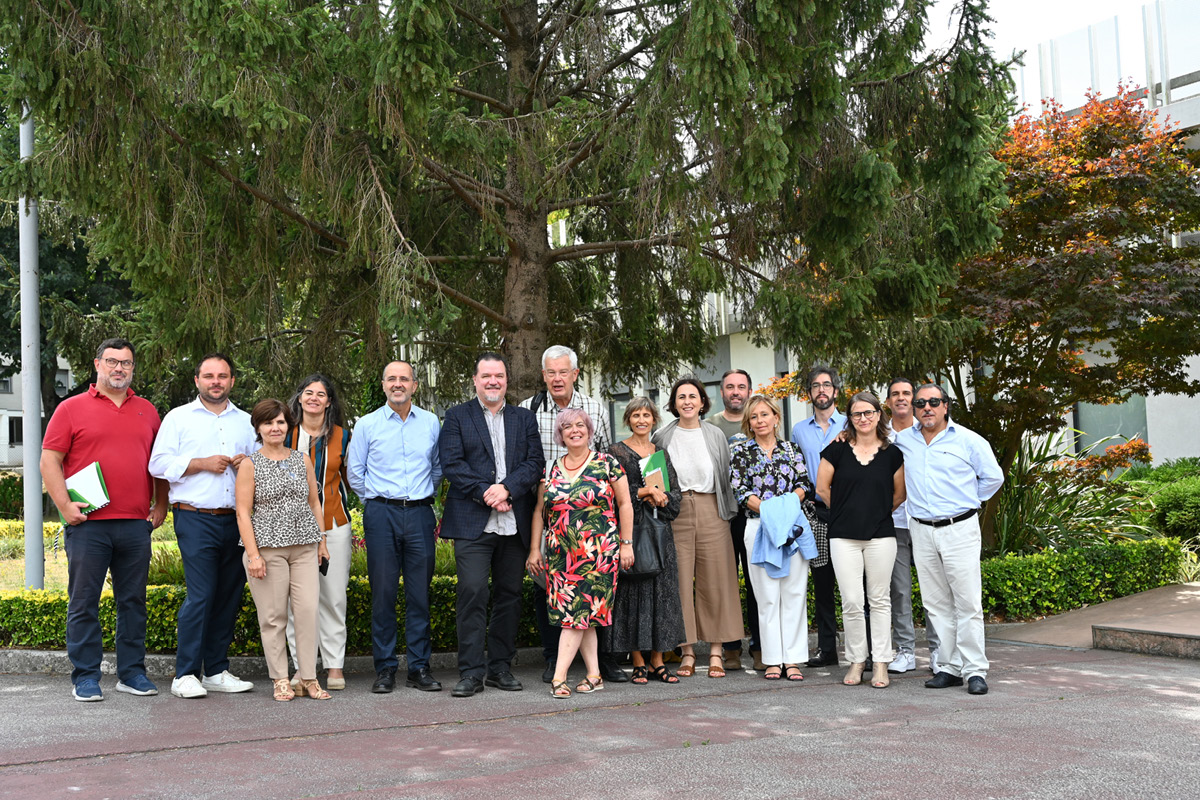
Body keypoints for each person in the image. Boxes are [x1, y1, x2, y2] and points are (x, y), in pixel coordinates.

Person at [41, 338, 169, 701]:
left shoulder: (148, 410)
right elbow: (49, 460)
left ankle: (132, 673)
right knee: (84, 601)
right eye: (112, 362)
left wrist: (161, 505)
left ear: (132, 368)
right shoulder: (70, 409)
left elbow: (159, 465)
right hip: (88, 525)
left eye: (126, 363)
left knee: (133, 602)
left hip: (134, 524)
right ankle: (85, 677)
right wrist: (65, 507)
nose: (119, 369)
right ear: (97, 364)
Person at [149, 353, 257, 699]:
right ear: (197, 380)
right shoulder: (178, 418)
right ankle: (185, 674)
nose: (216, 382)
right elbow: (158, 463)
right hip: (195, 517)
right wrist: (200, 464)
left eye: (222, 376)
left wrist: (248, 464)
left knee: (228, 595)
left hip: (237, 521)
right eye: (209, 376)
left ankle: (216, 670)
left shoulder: (245, 421)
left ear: (232, 382)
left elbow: (262, 462)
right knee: (201, 595)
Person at [439, 353, 544, 697]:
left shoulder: (524, 418)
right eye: (486, 376)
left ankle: (500, 667)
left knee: (509, 596)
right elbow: (452, 464)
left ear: (506, 380)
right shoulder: (456, 417)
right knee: (472, 592)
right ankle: (471, 672)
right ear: (475, 380)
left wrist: (508, 489)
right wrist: (489, 493)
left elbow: (534, 462)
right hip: (474, 522)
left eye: (499, 375)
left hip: (514, 523)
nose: (493, 381)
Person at [518, 344, 624, 684]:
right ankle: (554, 659)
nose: (557, 378)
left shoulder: (594, 407)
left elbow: (606, 456)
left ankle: (597, 665)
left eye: (563, 371)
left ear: (575, 374)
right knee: (545, 591)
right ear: (544, 375)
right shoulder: (527, 409)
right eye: (551, 372)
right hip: (552, 517)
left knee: (592, 597)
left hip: (593, 526)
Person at [892, 384, 1003, 696]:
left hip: (959, 528)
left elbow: (994, 477)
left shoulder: (968, 440)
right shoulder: (903, 441)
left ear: (946, 406)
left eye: (933, 402)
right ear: (913, 408)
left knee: (967, 602)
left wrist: (969, 503)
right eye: (920, 403)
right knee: (936, 603)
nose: (927, 407)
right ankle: (949, 667)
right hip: (921, 529)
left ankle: (975, 670)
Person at [347, 361, 444, 694]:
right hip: (381, 516)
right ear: (384, 384)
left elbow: (436, 469)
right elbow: (355, 473)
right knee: (384, 595)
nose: (398, 384)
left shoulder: (431, 422)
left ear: (414, 385)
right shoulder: (367, 424)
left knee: (419, 596)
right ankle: (385, 668)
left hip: (419, 515)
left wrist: (417, 498)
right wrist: (378, 502)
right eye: (392, 379)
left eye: (404, 379)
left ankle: (419, 668)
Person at [527, 409, 634, 697]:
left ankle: (559, 676)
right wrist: (534, 550)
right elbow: (540, 511)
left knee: (575, 613)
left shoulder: (607, 463)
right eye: (567, 427)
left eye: (580, 425)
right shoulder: (549, 469)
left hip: (598, 553)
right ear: (559, 435)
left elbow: (625, 504)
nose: (575, 430)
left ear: (589, 430)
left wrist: (627, 543)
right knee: (582, 615)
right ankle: (594, 674)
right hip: (560, 554)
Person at [235, 399, 330, 701]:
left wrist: (322, 542)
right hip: (267, 551)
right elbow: (242, 512)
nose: (275, 428)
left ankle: (307, 678)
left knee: (306, 613)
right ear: (258, 428)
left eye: (280, 422)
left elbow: (314, 502)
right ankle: (280, 679)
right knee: (274, 617)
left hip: (304, 547)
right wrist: (253, 555)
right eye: (268, 423)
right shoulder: (250, 464)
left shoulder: (302, 459)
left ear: (288, 426)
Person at [652, 377, 744, 679]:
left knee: (717, 580)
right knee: (678, 582)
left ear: (703, 402)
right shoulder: (662, 436)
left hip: (711, 509)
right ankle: (687, 651)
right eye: (681, 397)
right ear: (674, 403)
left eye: (693, 396)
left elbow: (727, 474)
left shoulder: (715, 434)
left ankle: (716, 651)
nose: (687, 401)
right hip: (676, 512)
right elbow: (655, 477)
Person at [816, 392, 905, 689]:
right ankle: (856, 660)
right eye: (857, 414)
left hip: (881, 536)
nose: (863, 418)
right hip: (843, 537)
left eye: (869, 413)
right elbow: (822, 488)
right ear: (850, 419)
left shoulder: (893, 454)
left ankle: (880, 663)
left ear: (879, 415)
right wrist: (846, 512)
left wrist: (874, 514)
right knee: (852, 602)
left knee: (879, 601)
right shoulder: (837, 450)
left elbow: (899, 495)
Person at [599, 398, 686, 685]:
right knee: (632, 596)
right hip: (630, 535)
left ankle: (657, 661)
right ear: (627, 420)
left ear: (653, 420)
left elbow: (674, 498)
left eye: (646, 415)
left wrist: (660, 495)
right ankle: (637, 660)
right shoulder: (615, 452)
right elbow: (609, 495)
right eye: (636, 415)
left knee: (661, 596)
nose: (641, 420)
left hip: (659, 534)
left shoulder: (659, 453)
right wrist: (644, 491)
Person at [729, 395, 813, 682]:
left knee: (794, 594)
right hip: (759, 526)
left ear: (776, 418)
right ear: (749, 423)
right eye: (754, 417)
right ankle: (773, 660)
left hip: (791, 525)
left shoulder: (792, 450)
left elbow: (804, 484)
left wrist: (785, 510)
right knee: (766, 597)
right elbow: (740, 491)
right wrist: (768, 510)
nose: (760, 420)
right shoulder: (741, 453)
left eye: (765, 415)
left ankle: (793, 660)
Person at [284, 374, 353, 691]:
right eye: (308, 392)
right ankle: (302, 669)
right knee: (296, 602)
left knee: (333, 598)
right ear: (299, 398)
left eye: (321, 394)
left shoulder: (344, 436)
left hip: (334, 525)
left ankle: (334, 667)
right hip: (291, 530)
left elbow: (354, 480)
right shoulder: (283, 434)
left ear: (329, 401)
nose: (313, 398)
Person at [790, 364, 846, 668]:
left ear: (835, 391)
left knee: (855, 586)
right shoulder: (799, 430)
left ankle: (863, 651)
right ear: (809, 393)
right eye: (815, 386)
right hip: (816, 513)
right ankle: (827, 650)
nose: (821, 390)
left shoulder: (852, 423)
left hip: (849, 512)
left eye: (827, 385)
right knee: (822, 584)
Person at [883, 377, 940, 675]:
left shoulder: (927, 432)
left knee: (933, 588)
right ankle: (905, 651)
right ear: (889, 401)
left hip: (925, 520)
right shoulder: (879, 434)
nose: (902, 398)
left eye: (907, 394)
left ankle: (937, 650)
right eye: (896, 394)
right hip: (893, 522)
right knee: (900, 590)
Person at [708, 369, 761, 671]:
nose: (736, 392)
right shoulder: (710, 426)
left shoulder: (759, 422)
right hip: (721, 516)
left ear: (749, 391)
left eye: (742, 386)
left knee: (756, 583)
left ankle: (759, 646)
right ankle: (730, 646)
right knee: (726, 584)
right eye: (730, 387)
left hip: (755, 516)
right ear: (722, 392)